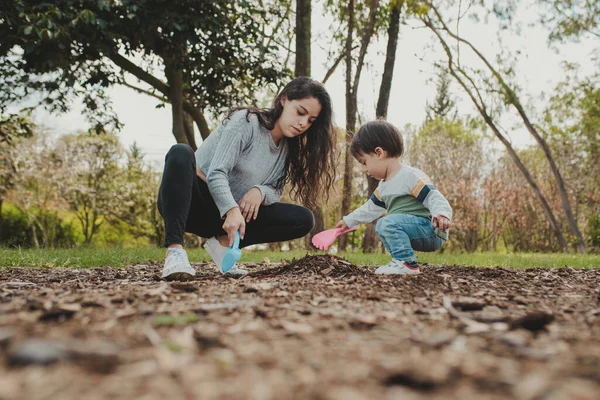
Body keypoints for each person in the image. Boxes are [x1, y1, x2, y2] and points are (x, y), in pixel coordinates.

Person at [157, 77, 337, 280]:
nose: (303, 123)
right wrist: (232, 209)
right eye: (300, 112)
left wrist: (259, 191)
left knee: (303, 219)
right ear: (284, 100)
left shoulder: (288, 148)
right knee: (181, 152)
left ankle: (223, 245)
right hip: (189, 205)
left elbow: (275, 190)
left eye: (310, 120)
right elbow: (217, 172)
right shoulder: (246, 121)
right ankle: (175, 251)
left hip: (226, 220)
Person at [335, 120, 452, 275]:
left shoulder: (410, 176)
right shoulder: (383, 186)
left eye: (364, 162)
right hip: (413, 231)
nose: (365, 169)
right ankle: (400, 261)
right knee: (382, 226)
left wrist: (442, 214)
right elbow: (370, 209)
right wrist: (348, 221)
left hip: (430, 229)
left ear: (379, 153)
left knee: (386, 223)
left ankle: (406, 264)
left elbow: (433, 196)